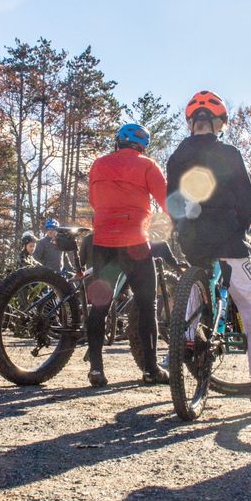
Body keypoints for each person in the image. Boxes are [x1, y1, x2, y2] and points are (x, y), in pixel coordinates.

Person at [166, 90, 251, 417]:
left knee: (195, 285)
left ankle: (188, 341)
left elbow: (172, 201)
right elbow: (246, 201)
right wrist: (240, 231)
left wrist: (183, 228)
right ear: (218, 123)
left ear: (192, 123)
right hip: (229, 239)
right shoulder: (229, 153)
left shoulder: (176, 157)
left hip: (192, 238)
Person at [84, 123, 169, 387]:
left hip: (103, 242)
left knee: (99, 305)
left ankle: (96, 369)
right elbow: (168, 201)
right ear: (143, 145)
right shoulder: (147, 165)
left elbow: (94, 201)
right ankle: (151, 370)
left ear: (118, 141)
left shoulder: (98, 164)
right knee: (146, 306)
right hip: (134, 243)